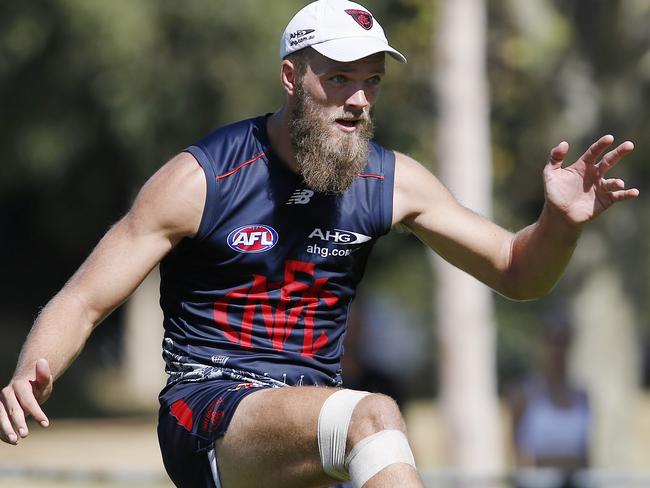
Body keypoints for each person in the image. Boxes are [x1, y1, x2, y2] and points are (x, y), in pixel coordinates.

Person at [0, 1, 639, 487]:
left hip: (316, 423)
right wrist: (31, 373)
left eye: (372, 81)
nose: (358, 100)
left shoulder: (392, 179)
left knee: (356, 421)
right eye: (337, 79)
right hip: (209, 411)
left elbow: (519, 273)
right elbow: (84, 298)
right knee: (374, 418)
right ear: (289, 76)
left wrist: (559, 224)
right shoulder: (200, 179)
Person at [509, 314, 591, 488]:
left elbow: (586, 455)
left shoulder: (582, 396)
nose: (558, 351)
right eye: (553, 342)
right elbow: (515, 452)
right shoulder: (524, 394)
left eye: (563, 342)